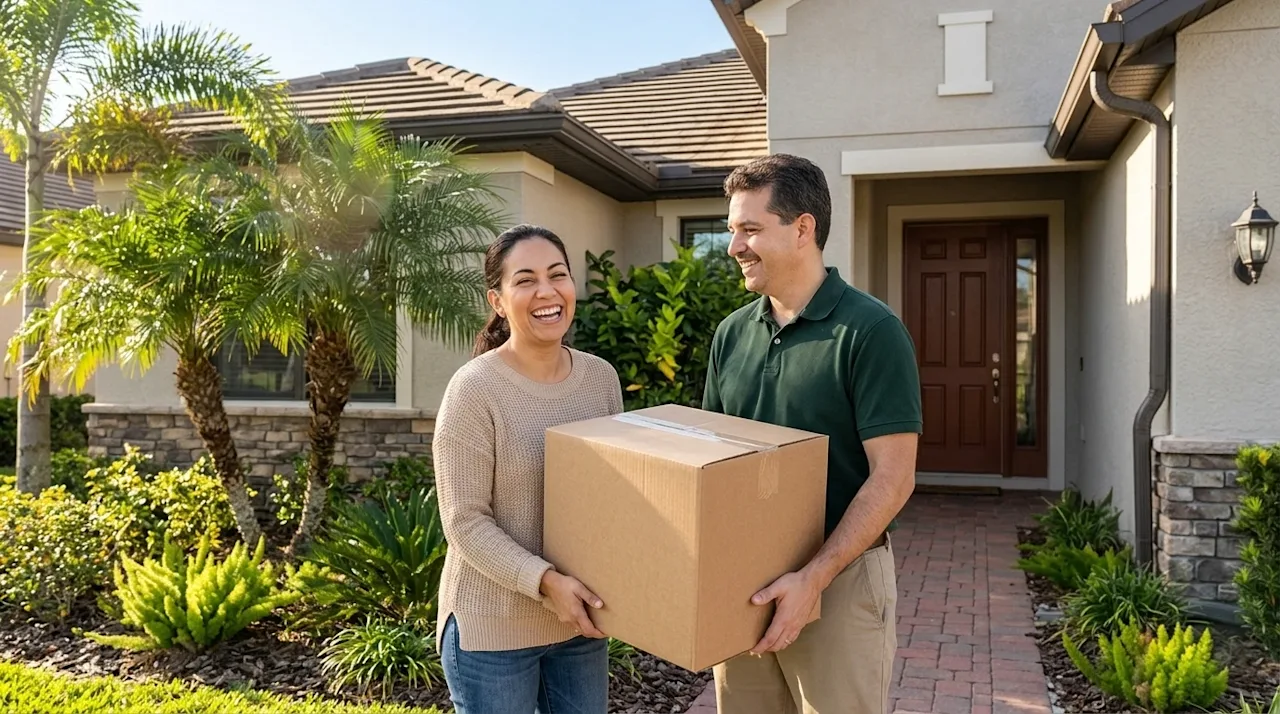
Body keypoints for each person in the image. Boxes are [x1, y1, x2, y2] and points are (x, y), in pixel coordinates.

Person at [702, 154, 922, 713]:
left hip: (841, 579)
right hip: (745, 583)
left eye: (750, 229)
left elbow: (893, 478)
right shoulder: (731, 335)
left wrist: (814, 578)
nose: (735, 246)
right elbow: (712, 464)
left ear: (803, 228)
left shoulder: (871, 331)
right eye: (732, 230)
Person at [432, 223, 623, 714]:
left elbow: (613, 497)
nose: (547, 291)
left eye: (558, 274)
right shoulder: (474, 389)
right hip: (492, 628)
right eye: (526, 280)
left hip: (578, 621)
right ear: (497, 301)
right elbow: (464, 521)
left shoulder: (601, 380)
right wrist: (545, 582)